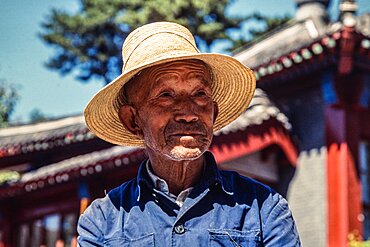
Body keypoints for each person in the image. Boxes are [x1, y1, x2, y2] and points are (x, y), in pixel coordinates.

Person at [78, 21, 301, 246]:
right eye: (165, 94)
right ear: (133, 120)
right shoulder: (102, 222)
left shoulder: (264, 208)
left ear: (213, 113)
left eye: (199, 94)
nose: (188, 112)